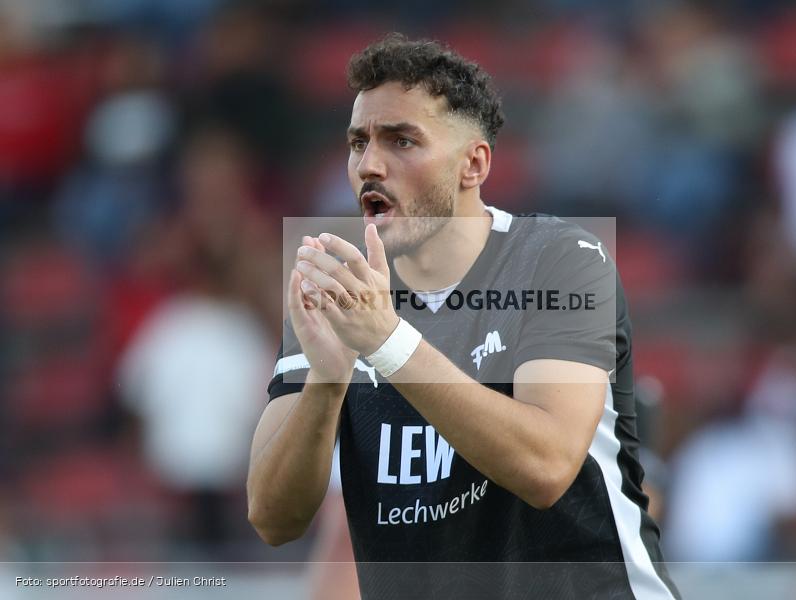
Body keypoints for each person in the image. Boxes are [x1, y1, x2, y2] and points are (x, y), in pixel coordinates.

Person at [247, 33, 680, 599]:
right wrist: (327, 384)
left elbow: (546, 467)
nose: (369, 165)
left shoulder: (559, 260)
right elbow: (273, 518)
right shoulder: (342, 291)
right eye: (358, 143)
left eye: (401, 141)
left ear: (472, 165)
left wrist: (388, 343)